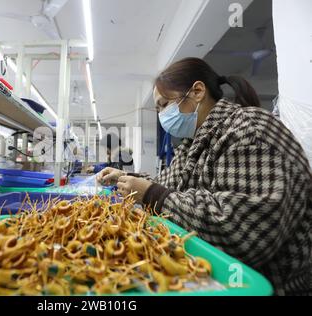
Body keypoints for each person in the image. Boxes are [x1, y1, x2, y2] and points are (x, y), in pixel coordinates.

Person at [97, 57, 312, 296]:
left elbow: (242, 232)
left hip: (271, 285)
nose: (162, 115)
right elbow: (169, 184)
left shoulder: (249, 130)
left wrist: (152, 194)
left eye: (165, 104)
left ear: (198, 91)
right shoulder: (194, 143)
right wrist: (125, 178)